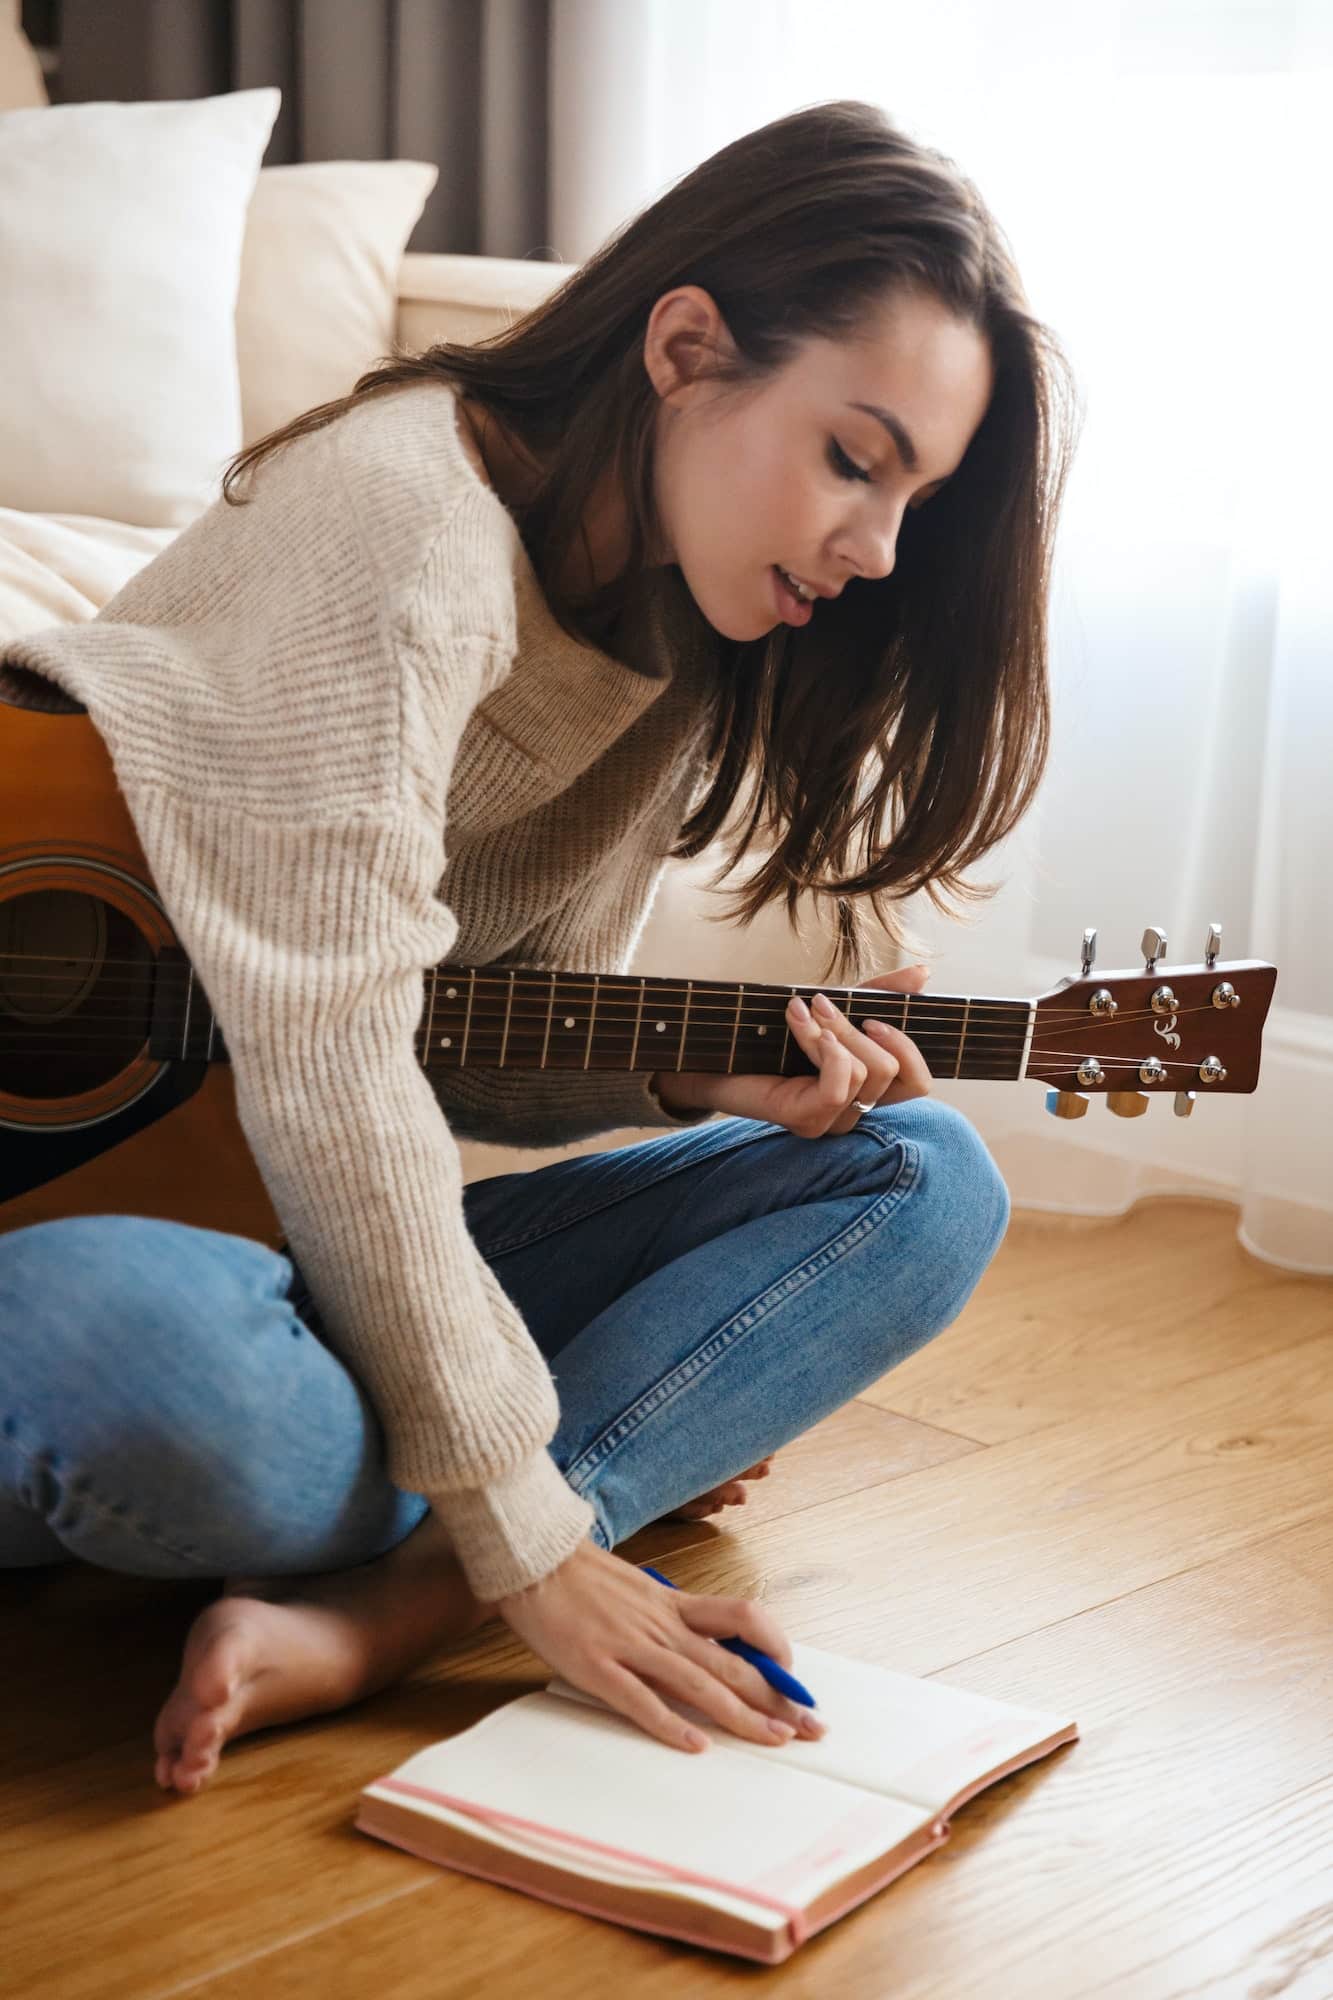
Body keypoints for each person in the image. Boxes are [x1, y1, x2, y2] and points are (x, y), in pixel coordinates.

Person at [0, 99, 1075, 1794]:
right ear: (686, 347)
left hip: (293, 1224)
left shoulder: (678, 645)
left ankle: (400, 1601)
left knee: (921, 1174)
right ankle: (530, 1514)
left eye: (912, 501)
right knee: (147, 1361)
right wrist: (548, 1515)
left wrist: (671, 1065)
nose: (874, 551)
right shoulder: (402, 523)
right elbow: (336, 1050)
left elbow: (438, 1026)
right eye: (852, 459)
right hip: (114, 1259)